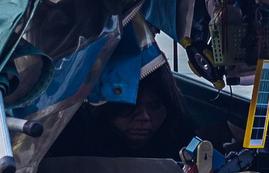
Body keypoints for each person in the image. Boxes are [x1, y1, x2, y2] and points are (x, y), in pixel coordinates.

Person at [48, 62, 199, 160]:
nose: (144, 117)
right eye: (129, 106)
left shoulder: (180, 138)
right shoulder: (74, 135)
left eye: (155, 106)